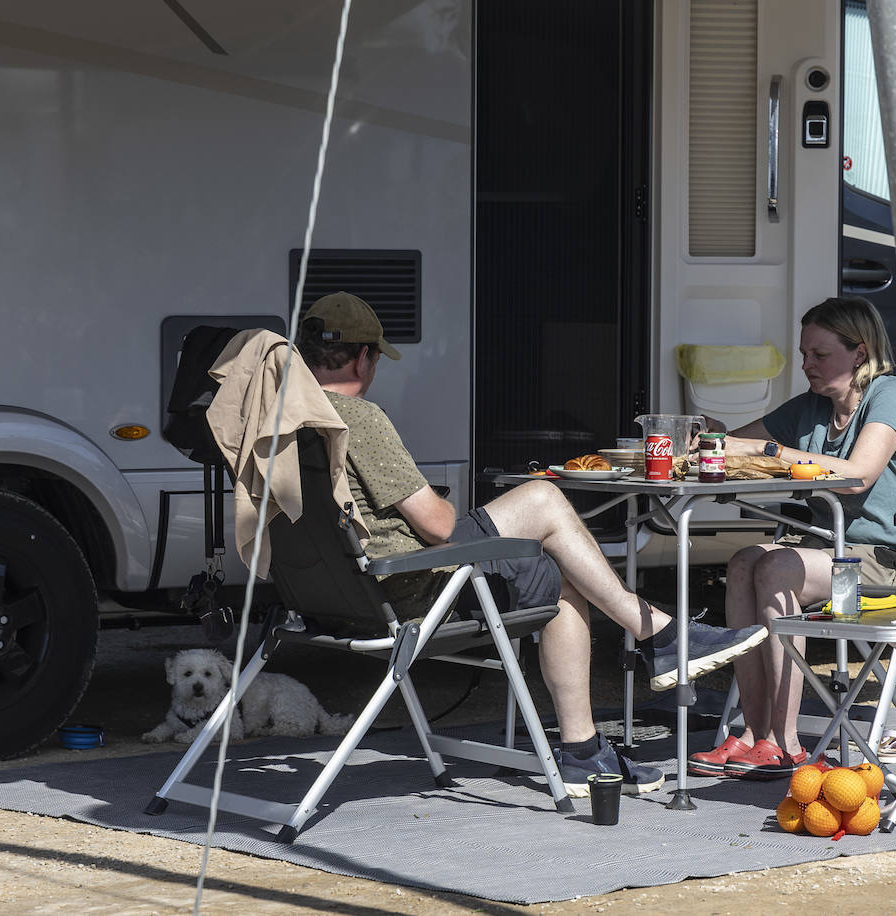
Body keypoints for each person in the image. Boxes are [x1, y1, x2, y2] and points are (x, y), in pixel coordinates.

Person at [296, 292, 769, 796]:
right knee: (544, 501)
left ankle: (594, 739)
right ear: (365, 357)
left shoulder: (287, 419)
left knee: (558, 565)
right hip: (416, 588)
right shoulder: (356, 416)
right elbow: (436, 525)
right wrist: (433, 501)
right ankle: (657, 639)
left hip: (335, 596)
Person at [689, 295, 896, 779]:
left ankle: (786, 740)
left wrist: (767, 448)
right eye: (803, 354)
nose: (806, 365)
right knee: (741, 562)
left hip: (891, 566)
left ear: (859, 353)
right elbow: (742, 445)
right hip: (832, 554)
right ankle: (755, 734)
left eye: (819, 355)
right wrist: (710, 436)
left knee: (775, 566)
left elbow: (858, 475)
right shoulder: (812, 408)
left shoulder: (890, 393)